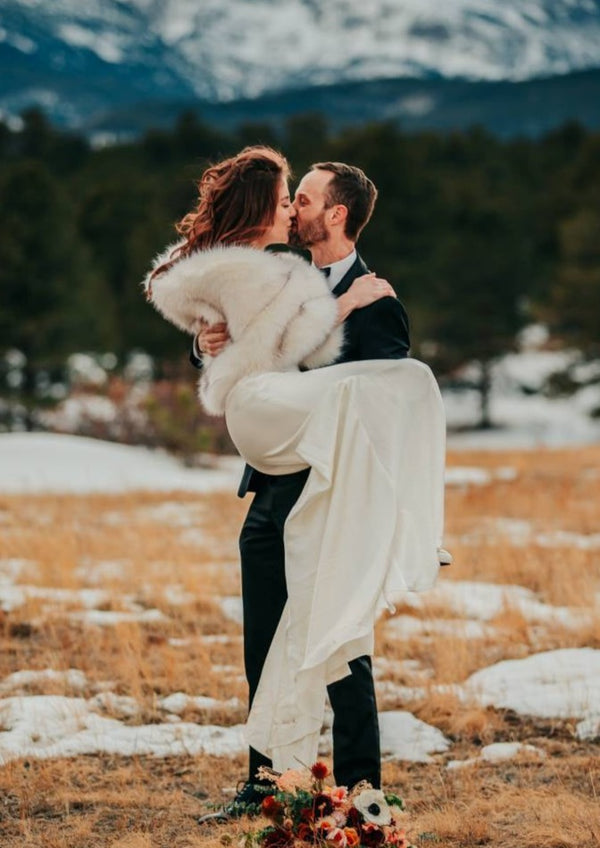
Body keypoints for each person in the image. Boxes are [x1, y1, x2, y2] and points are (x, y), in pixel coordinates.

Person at [144, 147, 446, 820]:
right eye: (291, 197)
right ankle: (268, 787)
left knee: (340, 643)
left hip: (330, 497)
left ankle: (360, 790)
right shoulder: (276, 277)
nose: (294, 207)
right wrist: (208, 344)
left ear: (335, 215)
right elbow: (229, 340)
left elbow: (377, 405)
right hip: (268, 495)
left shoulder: (377, 304)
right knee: (264, 643)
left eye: (304, 200)